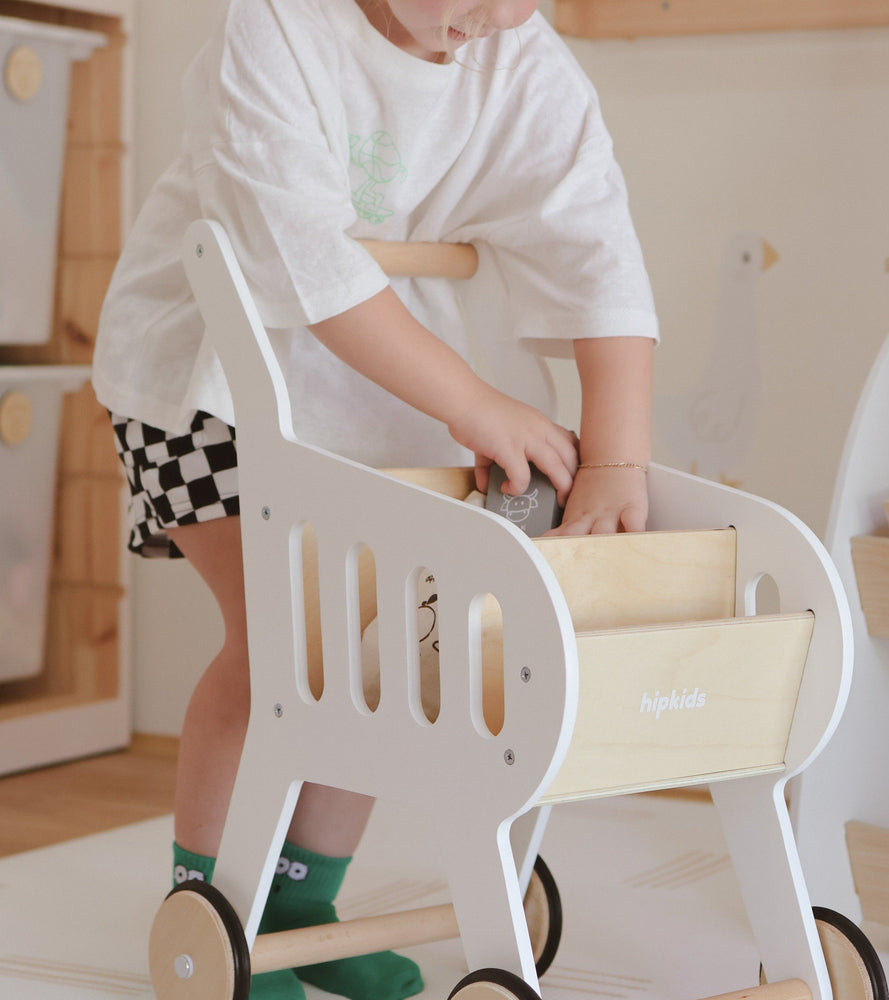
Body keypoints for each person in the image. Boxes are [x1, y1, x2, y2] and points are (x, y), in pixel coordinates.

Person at [94, 1, 658, 997]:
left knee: (374, 648)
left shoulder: (516, 57)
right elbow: (299, 253)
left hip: (369, 397)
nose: (494, 16)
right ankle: (215, 906)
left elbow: (593, 240)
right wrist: (475, 403)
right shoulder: (274, 25)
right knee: (281, 640)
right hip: (205, 380)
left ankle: (304, 900)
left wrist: (615, 460)